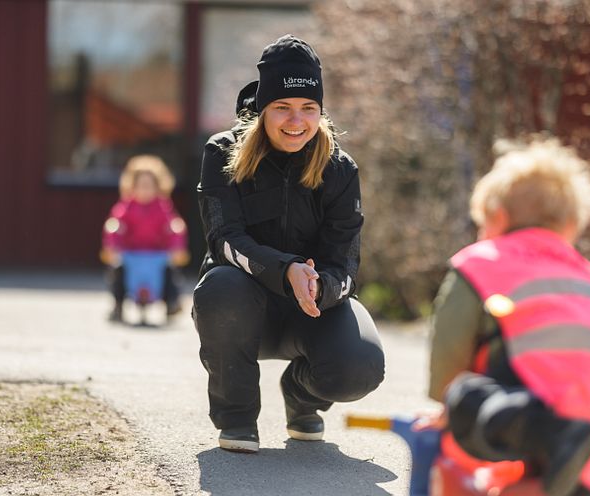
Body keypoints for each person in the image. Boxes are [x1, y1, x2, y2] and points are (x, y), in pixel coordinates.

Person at [193, 34, 385, 453]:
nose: (296, 120)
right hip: (243, 309)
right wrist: (286, 271)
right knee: (220, 287)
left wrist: (322, 286)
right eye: (282, 107)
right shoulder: (222, 152)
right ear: (263, 110)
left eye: (308, 109)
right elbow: (224, 240)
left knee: (362, 366)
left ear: (320, 111)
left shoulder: (340, 168)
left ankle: (301, 395)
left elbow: (346, 263)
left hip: (312, 310)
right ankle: (238, 417)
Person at [427, 137, 590, 496]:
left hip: (547, 413)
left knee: (466, 393)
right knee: (541, 480)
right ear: (570, 226)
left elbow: (451, 336)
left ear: (498, 217)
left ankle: (548, 433)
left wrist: (445, 402)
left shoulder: (484, 261)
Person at [101, 155, 189, 323]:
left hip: (157, 255)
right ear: (132, 187)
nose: (145, 190)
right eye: (141, 186)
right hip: (131, 254)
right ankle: (118, 304)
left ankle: (171, 301)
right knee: (118, 270)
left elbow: (173, 225)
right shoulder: (126, 206)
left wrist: (177, 245)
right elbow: (115, 224)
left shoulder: (162, 206)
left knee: (170, 271)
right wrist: (112, 244)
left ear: (158, 187)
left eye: (149, 186)